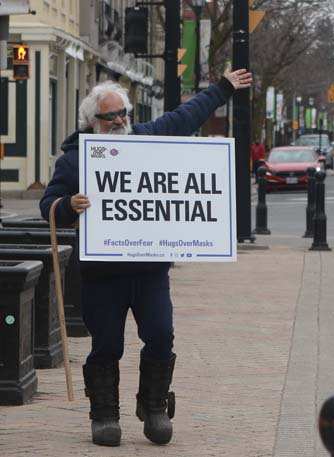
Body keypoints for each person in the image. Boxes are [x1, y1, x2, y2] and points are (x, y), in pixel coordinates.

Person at [39, 69, 252, 447]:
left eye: (124, 113)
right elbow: (48, 206)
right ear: (93, 123)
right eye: (112, 116)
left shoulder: (147, 140)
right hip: (102, 275)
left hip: (149, 271)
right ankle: (104, 415)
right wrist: (68, 205)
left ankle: (153, 407)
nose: (121, 121)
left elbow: (186, 117)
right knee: (107, 345)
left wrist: (222, 89)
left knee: (160, 334)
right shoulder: (75, 160)